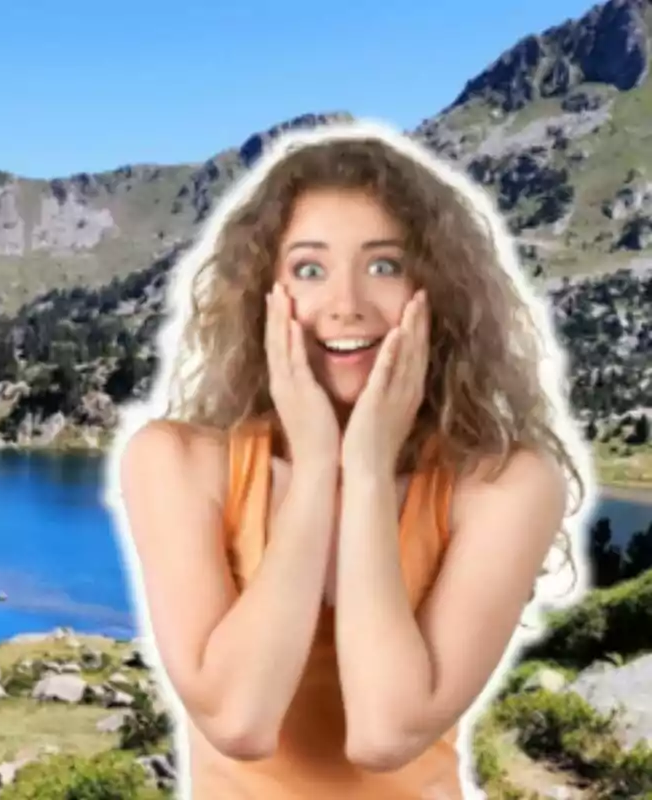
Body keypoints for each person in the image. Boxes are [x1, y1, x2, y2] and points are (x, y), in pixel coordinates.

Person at [106, 119, 595, 799]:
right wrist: (314, 470)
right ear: (264, 297)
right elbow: (239, 720)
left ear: (437, 292)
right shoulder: (177, 462)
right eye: (309, 269)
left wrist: (364, 471)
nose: (346, 305)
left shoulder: (504, 484)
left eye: (385, 266)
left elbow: (385, 734)